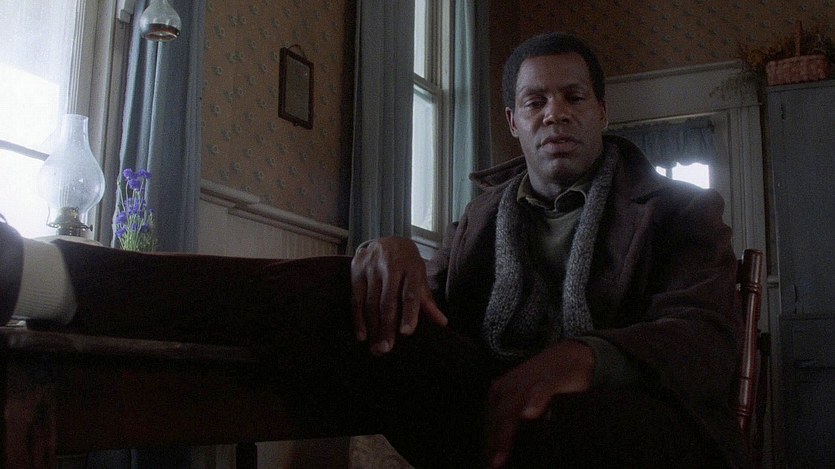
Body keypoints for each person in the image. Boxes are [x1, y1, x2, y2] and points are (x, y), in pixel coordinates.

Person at [1, 32, 745, 468]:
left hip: (619, 425)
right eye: (535, 101)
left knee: (581, 426)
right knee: (348, 292)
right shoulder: (485, 211)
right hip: (481, 405)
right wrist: (387, 256)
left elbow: (707, 336)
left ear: (602, 111)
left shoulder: (676, 207)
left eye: (574, 97)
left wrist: (582, 357)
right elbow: (433, 314)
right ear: (512, 122)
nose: (556, 113)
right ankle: (43, 274)